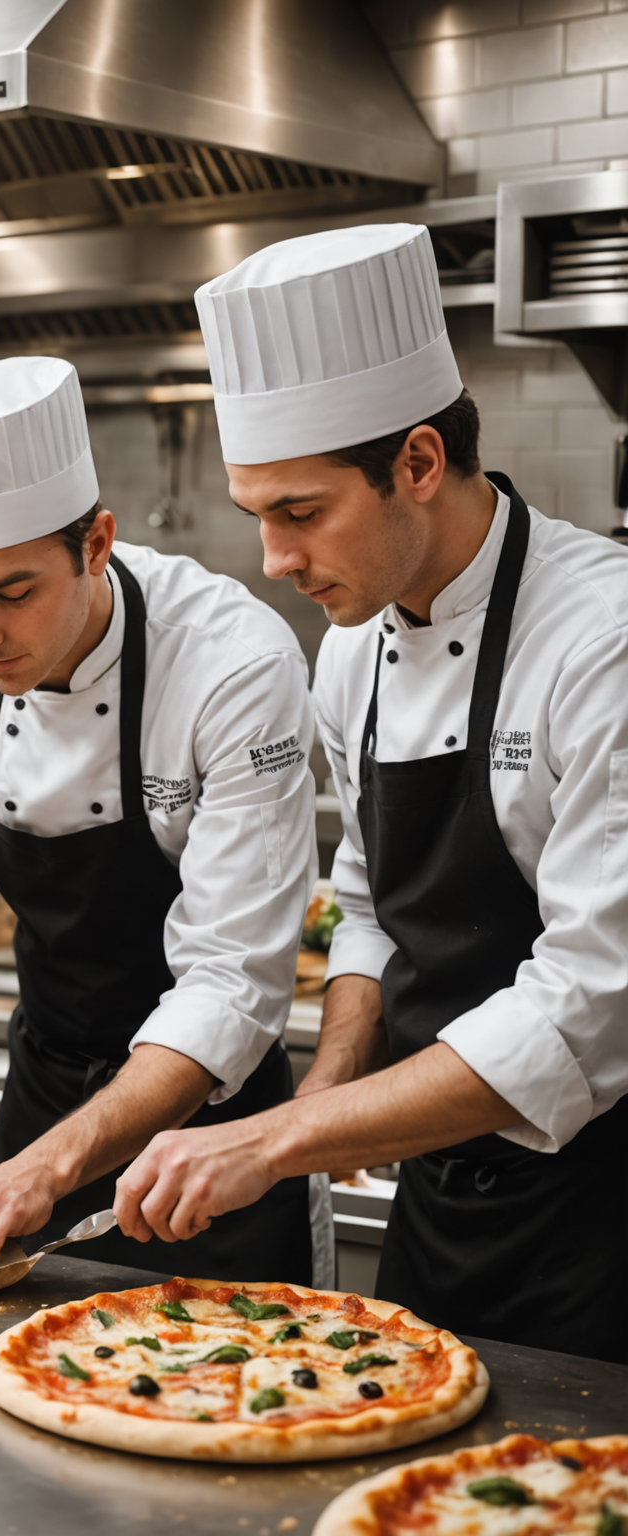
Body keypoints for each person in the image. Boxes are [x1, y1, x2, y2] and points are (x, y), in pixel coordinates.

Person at [112, 223, 628, 1361]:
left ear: (419, 464)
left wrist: (278, 1139)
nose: (274, 561)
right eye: (258, 517)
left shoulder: (605, 640)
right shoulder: (354, 643)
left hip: (604, 1206)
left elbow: (588, 1007)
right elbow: (373, 901)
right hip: (440, 1198)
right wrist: (340, 1072)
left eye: (299, 513)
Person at [0, 354, 322, 1283]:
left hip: (209, 1143)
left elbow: (232, 979)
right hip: (40, 1102)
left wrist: (49, 1169)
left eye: (12, 593)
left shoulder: (232, 663)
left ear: (97, 542)